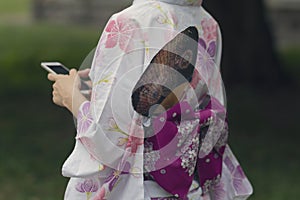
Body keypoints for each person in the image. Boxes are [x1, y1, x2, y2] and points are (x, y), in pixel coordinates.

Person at [48, 0, 253, 199]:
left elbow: (110, 144)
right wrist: (101, 91)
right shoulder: (208, 24)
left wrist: (71, 97)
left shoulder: (131, 21)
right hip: (189, 188)